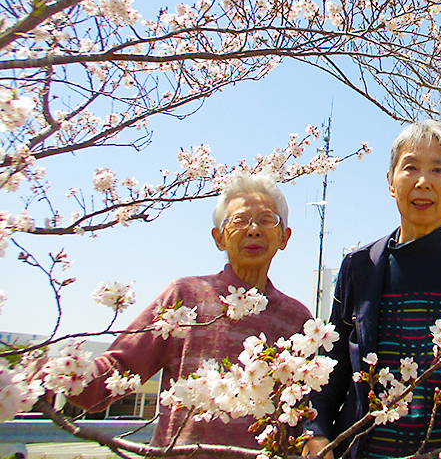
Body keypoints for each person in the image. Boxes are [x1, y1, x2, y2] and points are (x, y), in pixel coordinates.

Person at [304, 120, 441, 459]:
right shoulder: (359, 268)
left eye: (438, 169)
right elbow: (333, 367)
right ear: (391, 182)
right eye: (411, 167)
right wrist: (316, 434)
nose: (423, 182)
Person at [64, 173, 312, 458]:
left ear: (284, 237)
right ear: (219, 238)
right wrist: (62, 374)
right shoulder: (184, 297)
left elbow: (304, 416)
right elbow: (119, 369)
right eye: (239, 220)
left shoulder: (297, 320)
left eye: (267, 220)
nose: (253, 230)